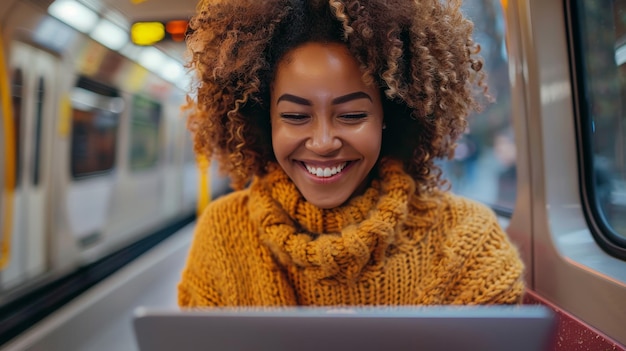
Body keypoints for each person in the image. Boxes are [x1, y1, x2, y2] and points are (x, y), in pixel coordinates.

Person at [178, 0, 524, 307]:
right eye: (296, 117)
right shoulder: (221, 234)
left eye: (353, 115)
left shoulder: (469, 243)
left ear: (390, 116)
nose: (324, 142)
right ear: (263, 119)